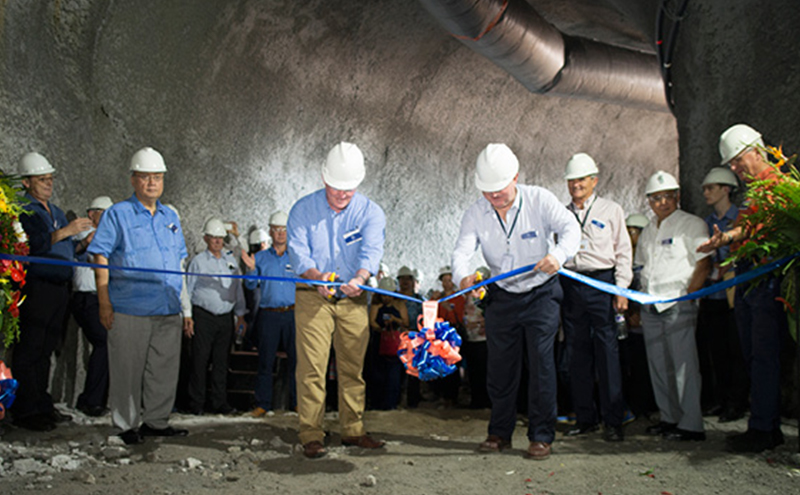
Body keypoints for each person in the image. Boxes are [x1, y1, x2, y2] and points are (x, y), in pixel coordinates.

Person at [452, 143, 581, 460]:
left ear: (516, 177)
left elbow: (570, 229)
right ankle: (499, 432)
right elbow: (461, 251)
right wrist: (463, 277)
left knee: (541, 364)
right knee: (500, 368)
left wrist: (558, 255)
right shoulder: (476, 213)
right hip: (502, 298)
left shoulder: (540, 200)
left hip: (541, 295)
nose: (494, 198)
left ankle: (541, 435)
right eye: (488, 193)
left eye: (500, 191)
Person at [287, 142, 387, 458]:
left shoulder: (370, 212)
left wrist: (360, 278)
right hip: (311, 295)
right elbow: (298, 252)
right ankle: (311, 433)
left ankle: (353, 430)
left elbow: (371, 251)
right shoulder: (303, 210)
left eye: (349, 189)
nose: (342, 195)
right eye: (336, 188)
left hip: (353, 298)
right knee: (312, 367)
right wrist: (316, 277)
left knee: (352, 367)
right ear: (323, 177)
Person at [88, 147, 189, 445]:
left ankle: (156, 421)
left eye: (157, 177)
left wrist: (184, 308)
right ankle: (125, 425)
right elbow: (100, 255)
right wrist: (104, 301)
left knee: (164, 369)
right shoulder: (117, 214)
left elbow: (179, 261)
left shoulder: (170, 216)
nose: (152, 183)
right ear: (133, 180)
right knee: (126, 369)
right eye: (145, 177)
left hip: (167, 306)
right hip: (130, 306)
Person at [698, 124, 789, 452]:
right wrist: (726, 238)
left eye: (737, 162)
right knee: (752, 352)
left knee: (763, 355)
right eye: (732, 165)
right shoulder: (755, 192)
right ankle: (764, 423)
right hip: (749, 279)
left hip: (766, 279)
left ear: (757, 150)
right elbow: (746, 226)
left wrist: (730, 237)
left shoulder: (779, 186)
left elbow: (758, 228)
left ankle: (764, 428)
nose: (736, 169)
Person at [12, 152, 93, 431]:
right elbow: (30, 246)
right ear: (26, 183)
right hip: (37, 287)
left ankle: (42, 404)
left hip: (60, 288)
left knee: (46, 348)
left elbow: (67, 250)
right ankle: (26, 410)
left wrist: (82, 244)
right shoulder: (24, 211)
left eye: (50, 179)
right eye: (42, 179)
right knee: (30, 348)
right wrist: (67, 231)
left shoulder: (55, 211)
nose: (49, 184)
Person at [559, 153, 632, 442]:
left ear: (594, 180)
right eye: (571, 180)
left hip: (603, 283)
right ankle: (585, 418)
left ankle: (613, 421)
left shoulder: (611, 210)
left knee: (608, 354)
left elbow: (624, 251)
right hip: (572, 284)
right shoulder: (562, 213)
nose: (576, 184)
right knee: (576, 355)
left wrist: (621, 288)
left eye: (581, 179)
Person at [636, 171, 711, 442]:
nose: (663, 202)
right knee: (659, 365)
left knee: (684, 366)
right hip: (651, 304)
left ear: (677, 197)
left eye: (668, 196)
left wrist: (690, 297)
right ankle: (669, 418)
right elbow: (642, 266)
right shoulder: (648, 230)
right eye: (656, 198)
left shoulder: (692, 224)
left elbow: (703, 263)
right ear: (649, 202)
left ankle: (691, 424)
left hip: (678, 303)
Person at [696, 167, 749, 422]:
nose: (706, 192)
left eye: (711, 188)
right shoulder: (705, 223)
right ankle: (720, 399)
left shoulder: (740, 218)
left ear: (726, 189)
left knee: (735, 349)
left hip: (734, 292)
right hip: (712, 295)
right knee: (715, 350)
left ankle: (737, 403)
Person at [185, 217, 246, 415]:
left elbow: (238, 290)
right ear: (206, 238)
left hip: (225, 318)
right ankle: (196, 404)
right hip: (203, 317)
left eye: (220, 238)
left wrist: (240, 315)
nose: (217, 241)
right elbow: (188, 288)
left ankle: (219, 403)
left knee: (222, 362)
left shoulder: (231, 261)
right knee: (200, 361)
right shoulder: (198, 262)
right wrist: (187, 316)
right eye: (213, 238)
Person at [242, 211, 296, 415]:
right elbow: (250, 285)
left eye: (283, 229)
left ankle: (297, 402)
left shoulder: (297, 257)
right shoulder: (261, 257)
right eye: (276, 229)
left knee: (296, 361)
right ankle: (263, 404)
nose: (280, 233)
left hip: (292, 314)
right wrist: (250, 269)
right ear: (270, 231)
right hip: (269, 315)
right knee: (265, 361)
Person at [72, 195, 114, 417]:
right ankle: (91, 400)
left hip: (102, 298)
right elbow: (87, 254)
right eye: (104, 213)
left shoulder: (109, 236)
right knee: (104, 342)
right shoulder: (83, 232)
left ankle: (94, 399)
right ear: (92, 214)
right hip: (86, 298)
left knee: (107, 345)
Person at [620, 214, 657, 419]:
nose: (630, 235)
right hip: (627, 324)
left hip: (647, 322)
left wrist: (640, 313)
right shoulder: (623, 259)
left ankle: (646, 407)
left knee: (646, 367)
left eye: (633, 231)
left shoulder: (648, 256)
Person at [368, 277, 409, 410]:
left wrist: (394, 320)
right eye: (383, 294)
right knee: (378, 373)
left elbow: (406, 323)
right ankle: (378, 403)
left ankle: (391, 403)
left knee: (394, 375)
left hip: (395, 342)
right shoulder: (376, 305)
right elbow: (372, 322)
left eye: (388, 294)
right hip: (379, 341)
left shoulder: (400, 305)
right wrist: (382, 329)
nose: (386, 297)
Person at [433, 265, 464, 408]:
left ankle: (452, 397)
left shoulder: (458, 297)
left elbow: (460, 316)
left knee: (453, 364)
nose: (447, 283)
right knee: (440, 364)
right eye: (444, 280)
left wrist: (447, 308)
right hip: (439, 334)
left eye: (449, 280)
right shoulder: (437, 298)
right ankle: (442, 395)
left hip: (452, 333)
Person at [462, 266, 491, 409]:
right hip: (470, 338)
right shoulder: (468, 295)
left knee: (485, 371)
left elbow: (492, 315)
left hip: (484, 339)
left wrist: (479, 323)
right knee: (473, 372)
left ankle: (486, 401)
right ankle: (476, 401)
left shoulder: (488, 296)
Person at [397, 265, 423, 408]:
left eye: (409, 279)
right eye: (403, 279)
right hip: (398, 338)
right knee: (398, 371)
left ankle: (413, 401)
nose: (406, 282)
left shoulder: (419, 300)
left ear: (414, 281)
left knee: (414, 372)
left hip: (415, 339)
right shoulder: (394, 297)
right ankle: (397, 399)